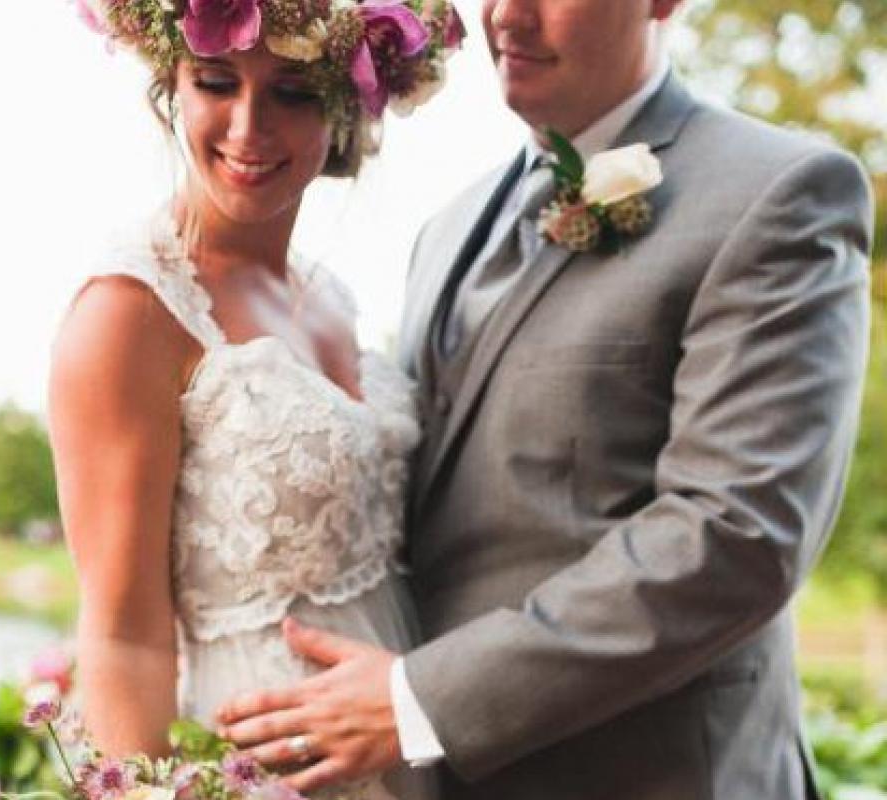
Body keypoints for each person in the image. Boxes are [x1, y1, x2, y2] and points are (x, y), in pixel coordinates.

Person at [216, 0, 874, 798]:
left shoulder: (779, 193)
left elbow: (736, 535)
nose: (506, 16)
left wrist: (419, 700)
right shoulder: (447, 228)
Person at [47, 0, 464, 797]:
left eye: (293, 93)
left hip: (400, 750)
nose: (247, 128)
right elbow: (123, 635)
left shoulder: (331, 297)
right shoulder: (130, 313)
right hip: (259, 771)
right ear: (172, 85)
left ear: (345, 109)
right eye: (215, 83)